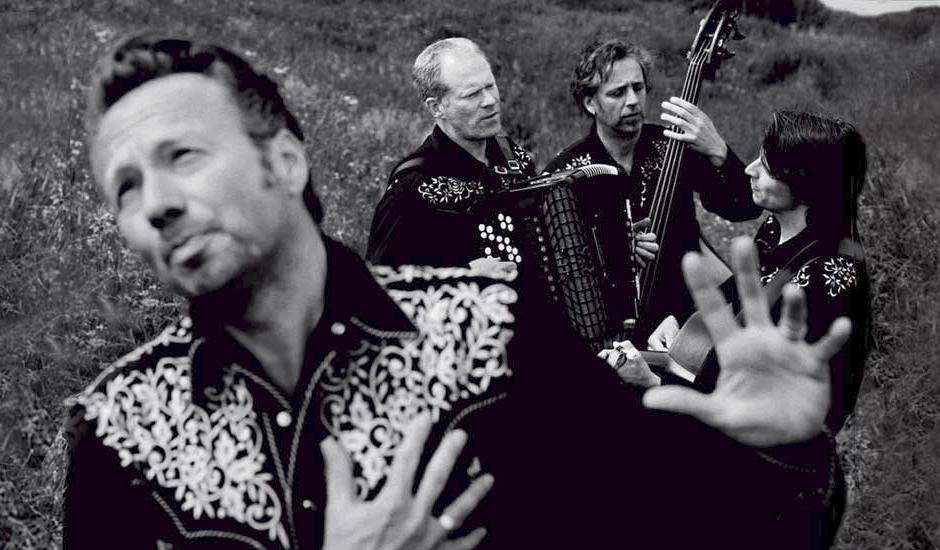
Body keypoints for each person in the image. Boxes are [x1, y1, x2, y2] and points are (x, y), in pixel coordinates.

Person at [65, 35, 852, 550]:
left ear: (287, 163)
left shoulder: (492, 328)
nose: (155, 204)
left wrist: (779, 453)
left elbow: (681, 519)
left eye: (184, 156)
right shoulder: (117, 433)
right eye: (124, 186)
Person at [629, 111, 870, 435]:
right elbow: (738, 292)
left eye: (766, 168)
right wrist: (684, 324)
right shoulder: (776, 227)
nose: (749, 170)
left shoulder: (823, 281)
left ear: (805, 185)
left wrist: (654, 381)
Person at [544, 38, 762, 347]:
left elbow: (744, 207)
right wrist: (614, 256)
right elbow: (558, 274)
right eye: (618, 93)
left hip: (686, 319)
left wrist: (718, 149)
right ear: (590, 103)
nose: (633, 101)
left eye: (638, 87)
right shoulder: (566, 174)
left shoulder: (672, 146)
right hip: (611, 331)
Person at [366, 38, 535, 272]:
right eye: (472, 94)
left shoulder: (514, 157)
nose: (489, 101)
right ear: (436, 107)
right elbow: (380, 282)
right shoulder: (412, 187)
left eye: (490, 86)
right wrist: (464, 274)